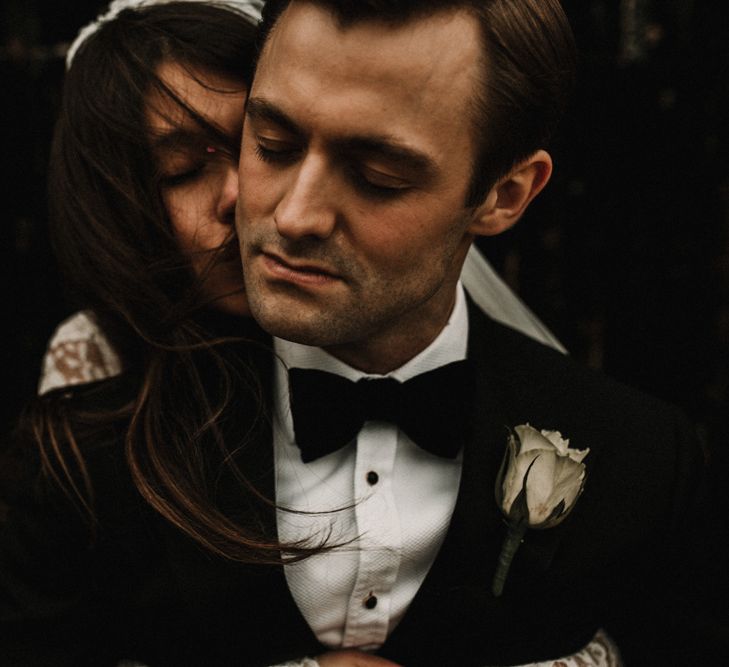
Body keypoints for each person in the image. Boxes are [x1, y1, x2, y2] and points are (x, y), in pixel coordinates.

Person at [1, 1, 567, 666]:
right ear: (122, 214)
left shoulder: (583, 419)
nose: (258, 201)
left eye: (262, 144)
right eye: (181, 170)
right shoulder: (89, 419)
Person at [234, 0, 729, 665]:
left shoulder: (643, 458)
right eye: (273, 144)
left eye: (379, 177)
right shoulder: (103, 420)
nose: (294, 214)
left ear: (505, 195)